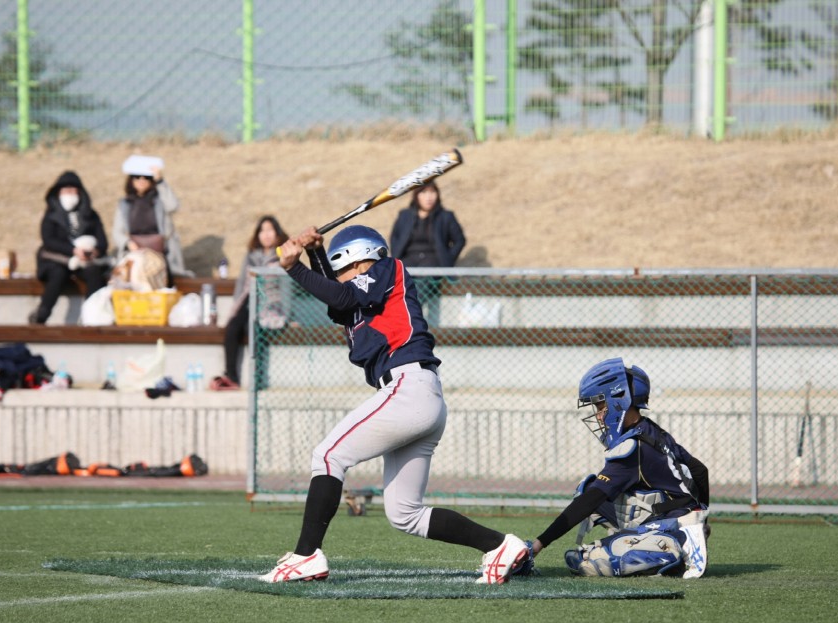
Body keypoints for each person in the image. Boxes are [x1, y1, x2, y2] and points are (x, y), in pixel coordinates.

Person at [260, 224, 527, 584]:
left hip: (407, 387)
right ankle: (499, 546)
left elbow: (342, 297)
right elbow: (339, 298)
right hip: (418, 395)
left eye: (341, 269)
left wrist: (294, 267)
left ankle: (306, 555)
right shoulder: (361, 296)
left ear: (357, 259)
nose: (339, 278)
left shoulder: (388, 268)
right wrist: (315, 253)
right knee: (405, 514)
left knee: (328, 456)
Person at [523, 358, 711, 579]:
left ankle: (673, 546)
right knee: (588, 487)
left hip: (671, 521)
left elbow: (589, 502)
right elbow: (700, 470)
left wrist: (538, 544)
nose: (598, 415)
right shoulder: (651, 430)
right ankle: (676, 534)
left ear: (619, 401)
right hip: (677, 514)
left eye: (600, 406)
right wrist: (701, 515)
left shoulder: (631, 448)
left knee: (589, 562)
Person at [210, 215, 290, 390]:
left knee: (254, 331)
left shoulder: (283, 255)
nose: (266, 234)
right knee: (232, 328)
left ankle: (258, 379)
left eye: (270, 230)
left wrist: (288, 314)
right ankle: (231, 377)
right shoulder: (251, 255)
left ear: (277, 234)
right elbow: (241, 284)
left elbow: (286, 287)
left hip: (269, 304)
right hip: (248, 300)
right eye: (262, 230)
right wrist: (234, 308)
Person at [29, 171, 109, 325]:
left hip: (85, 261)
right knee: (58, 274)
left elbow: (103, 241)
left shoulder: (90, 215)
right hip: (57, 259)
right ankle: (42, 314)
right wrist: (73, 250)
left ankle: (91, 316)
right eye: (66, 191)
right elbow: (49, 240)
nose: (70, 194)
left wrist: (93, 251)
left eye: (73, 191)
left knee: (94, 273)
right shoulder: (51, 215)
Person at [111, 157, 193, 284]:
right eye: (137, 177)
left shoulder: (159, 199)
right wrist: (129, 244)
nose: (142, 181)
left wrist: (160, 180)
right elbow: (117, 232)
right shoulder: (124, 204)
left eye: (146, 177)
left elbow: (173, 206)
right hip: (135, 253)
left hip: (161, 253)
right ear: (131, 180)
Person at [389, 180, 465, 267]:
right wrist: (396, 253)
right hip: (408, 259)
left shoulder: (445, 216)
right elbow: (394, 237)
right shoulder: (405, 215)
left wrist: (448, 258)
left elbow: (459, 240)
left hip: (434, 261)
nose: (429, 197)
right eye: (424, 192)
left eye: (432, 192)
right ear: (416, 195)